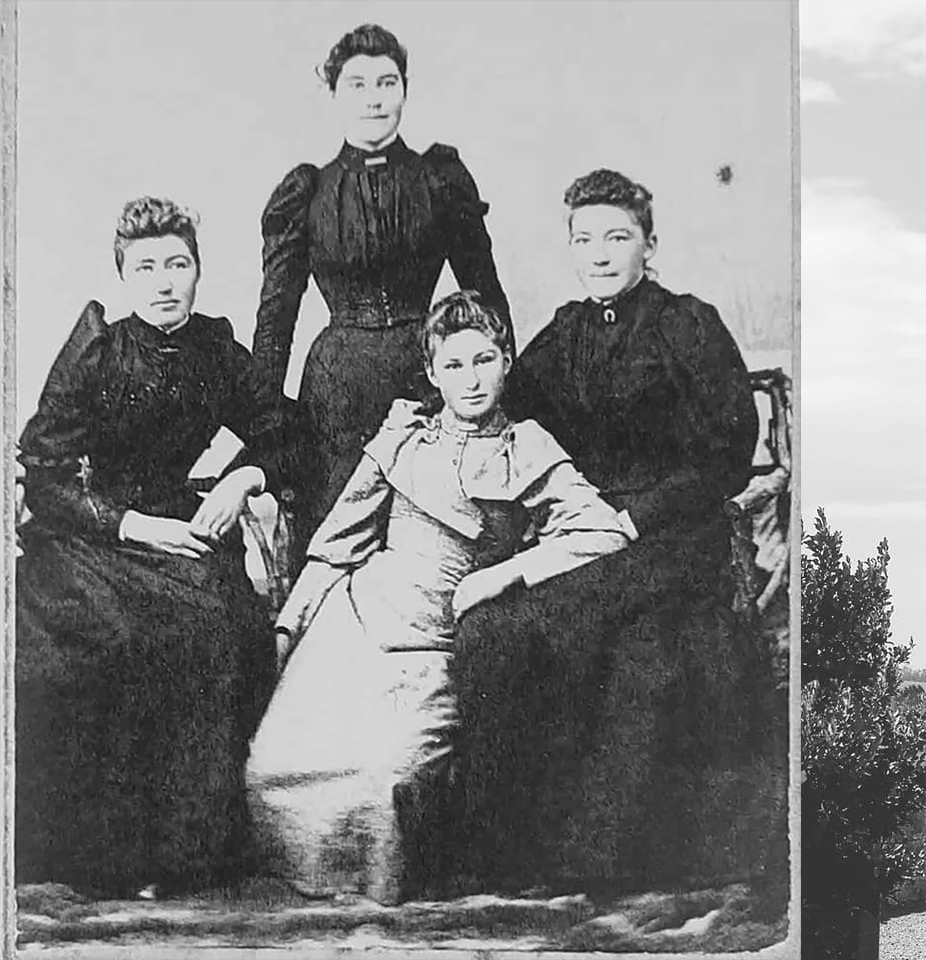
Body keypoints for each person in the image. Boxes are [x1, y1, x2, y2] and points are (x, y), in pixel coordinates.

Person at [245, 290, 636, 906]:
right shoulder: (405, 433)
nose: (471, 379)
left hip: (435, 640)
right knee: (271, 770)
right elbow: (337, 543)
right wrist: (288, 628)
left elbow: (604, 530)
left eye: (484, 360)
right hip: (354, 622)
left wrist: (506, 575)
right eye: (454, 366)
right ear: (432, 373)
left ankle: (379, 914)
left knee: (383, 781)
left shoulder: (526, 445)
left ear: (507, 361)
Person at [450, 169, 773, 892]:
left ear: (648, 245)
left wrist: (636, 517)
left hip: (672, 537)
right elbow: (503, 403)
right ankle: (507, 860)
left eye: (617, 237)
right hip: (583, 536)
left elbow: (727, 453)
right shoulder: (563, 333)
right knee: (493, 634)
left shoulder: (689, 324)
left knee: (632, 650)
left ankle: (593, 866)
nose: (599, 254)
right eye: (584, 239)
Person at [14, 197, 286, 899]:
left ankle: (190, 856)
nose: (165, 281)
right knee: (115, 638)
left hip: (179, 528)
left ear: (197, 272)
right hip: (89, 536)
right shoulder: (98, 348)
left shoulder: (217, 351)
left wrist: (246, 476)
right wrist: (131, 524)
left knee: (225, 623)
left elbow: (284, 429)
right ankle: (104, 861)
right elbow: (44, 472)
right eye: (147, 267)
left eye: (179, 264)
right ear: (125, 277)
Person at [252, 23, 510, 552]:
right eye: (358, 85)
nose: (374, 99)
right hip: (337, 389)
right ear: (335, 95)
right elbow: (276, 318)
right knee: (336, 532)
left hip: (427, 378)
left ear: (405, 91)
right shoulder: (309, 192)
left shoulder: (439, 181)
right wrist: (264, 420)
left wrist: (501, 387)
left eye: (387, 83)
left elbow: (485, 296)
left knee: (431, 532)